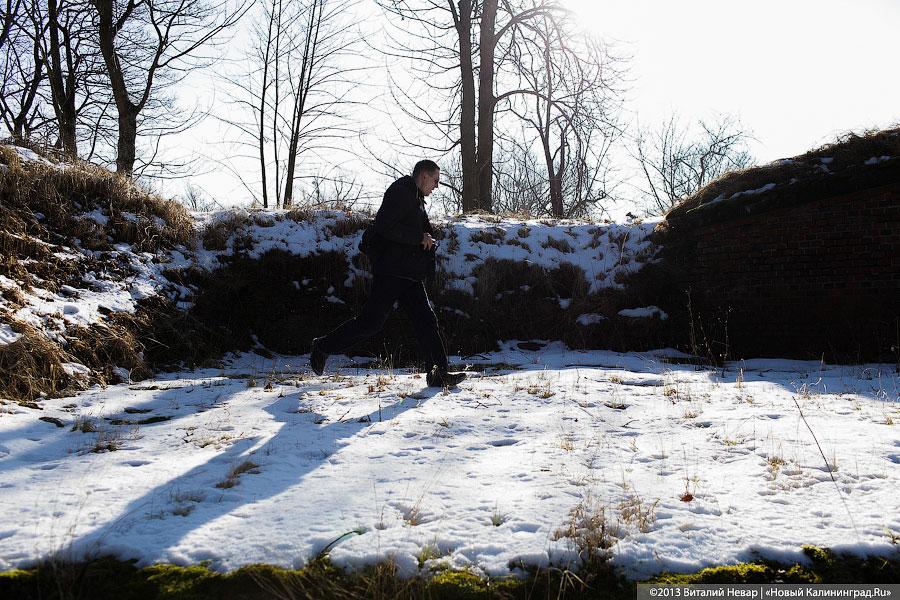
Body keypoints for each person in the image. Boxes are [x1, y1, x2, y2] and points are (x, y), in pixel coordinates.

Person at [309, 160, 467, 388]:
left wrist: (427, 239)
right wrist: (418, 238)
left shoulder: (415, 198)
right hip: (392, 272)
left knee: (426, 321)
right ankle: (322, 346)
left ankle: (438, 373)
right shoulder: (400, 192)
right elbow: (385, 226)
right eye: (435, 180)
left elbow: (414, 230)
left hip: (408, 274)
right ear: (423, 175)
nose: (436, 186)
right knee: (370, 323)